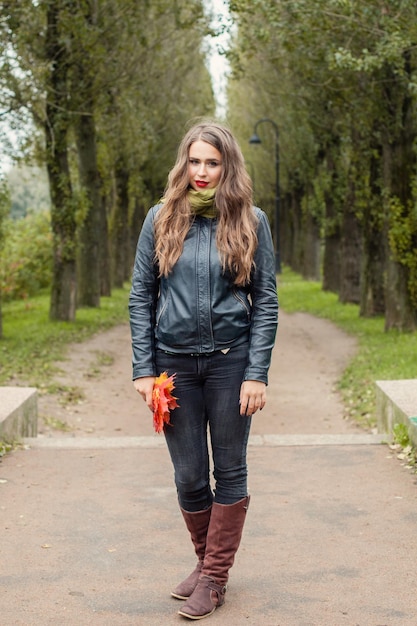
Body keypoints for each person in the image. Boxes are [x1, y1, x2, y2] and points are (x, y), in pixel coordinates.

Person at [129, 120, 278, 620]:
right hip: (172, 367)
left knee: (229, 469)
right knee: (190, 473)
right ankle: (206, 564)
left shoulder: (251, 219)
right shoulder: (161, 217)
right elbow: (140, 297)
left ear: (227, 166)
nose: (202, 171)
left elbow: (266, 301)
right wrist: (143, 369)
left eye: (212, 163)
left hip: (231, 364)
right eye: (194, 161)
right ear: (183, 163)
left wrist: (256, 373)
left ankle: (213, 579)